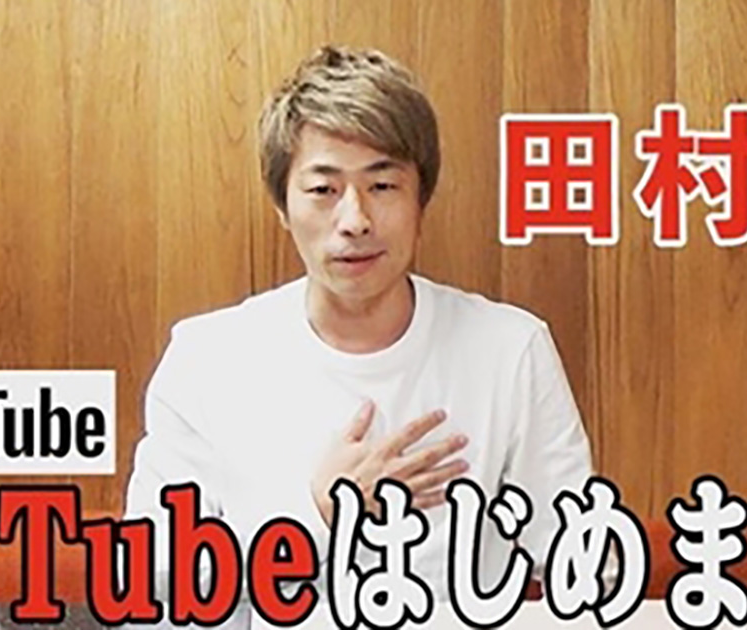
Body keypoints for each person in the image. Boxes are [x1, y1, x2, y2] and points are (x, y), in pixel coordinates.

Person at [123, 44, 598, 628]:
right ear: (282, 205)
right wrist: (319, 514)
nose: (355, 221)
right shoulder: (207, 361)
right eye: (323, 190)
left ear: (421, 199)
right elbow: (154, 588)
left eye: (383, 186)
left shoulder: (510, 350)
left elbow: (586, 573)